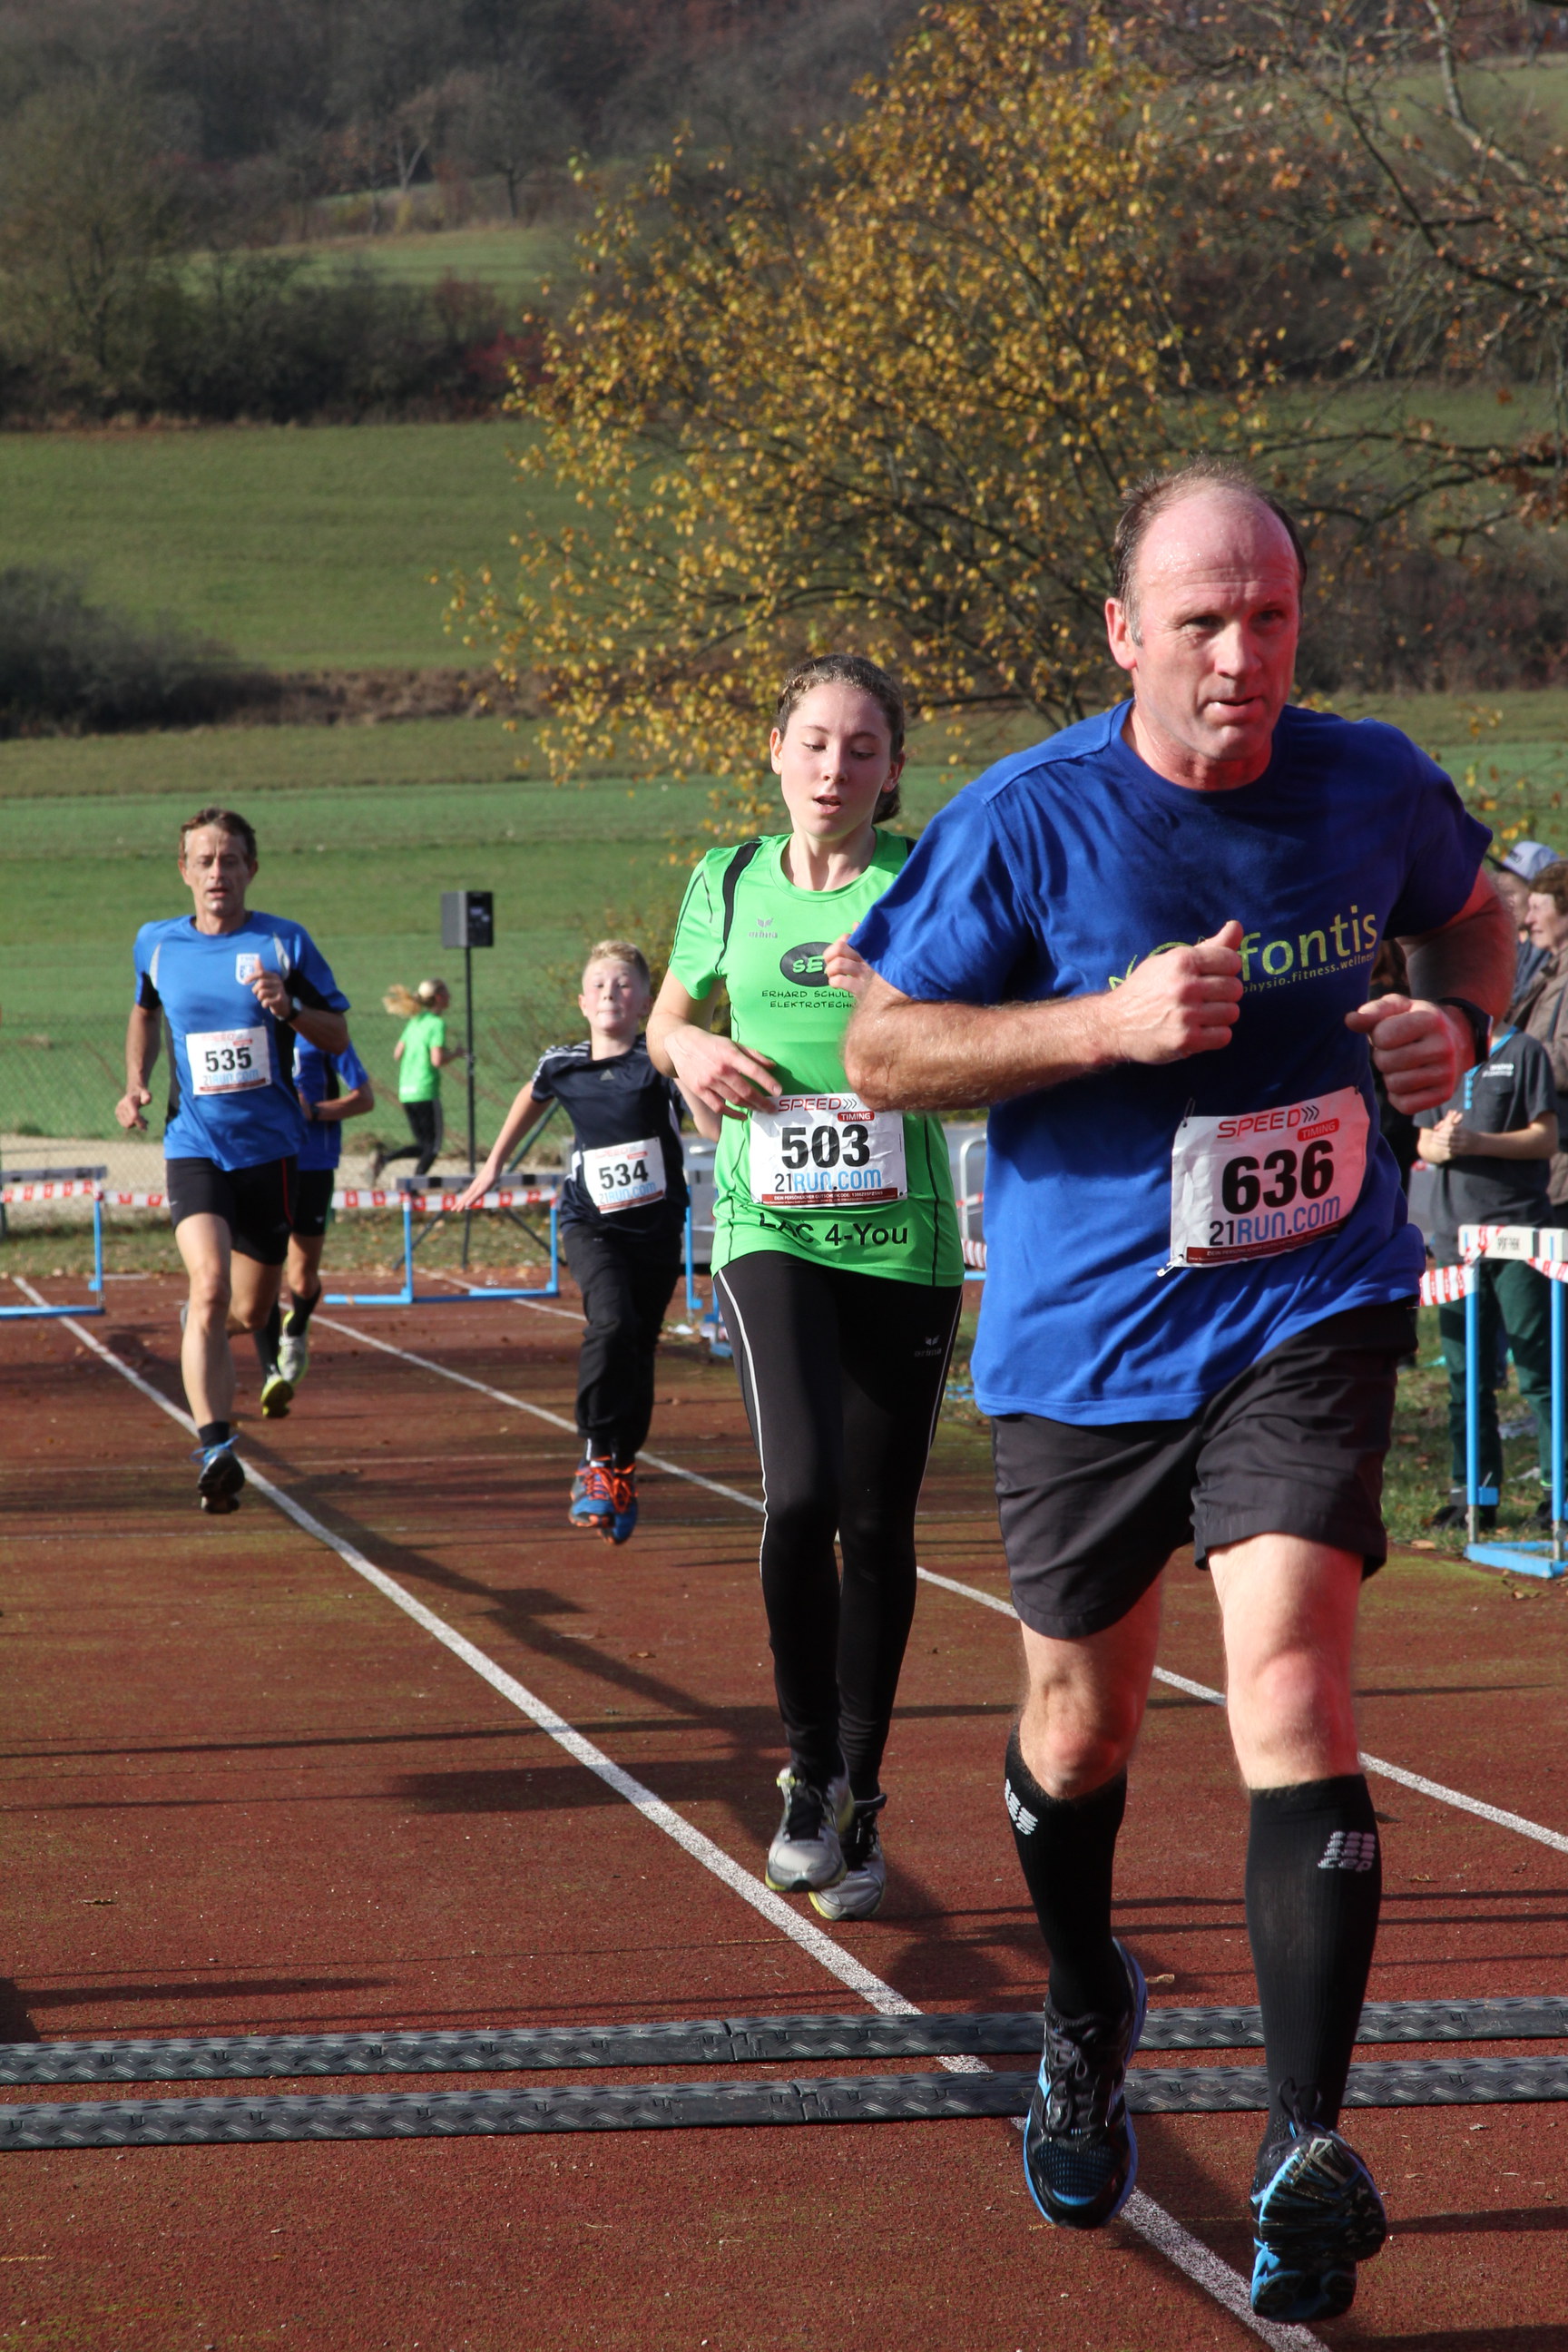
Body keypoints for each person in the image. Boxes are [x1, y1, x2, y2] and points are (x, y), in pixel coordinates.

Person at [840, 462, 1512, 2319]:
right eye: (1202, 621)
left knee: (1290, 1677)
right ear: (1124, 634)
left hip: (1312, 1300)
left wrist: (1453, 1026)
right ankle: (1083, 2011)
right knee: (1081, 1732)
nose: (1239, 655)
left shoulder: (1369, 782)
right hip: (1085, 1344)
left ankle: (1303, 2149)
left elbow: (1474, 920)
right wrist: (1103, 1025)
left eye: (1270, 618)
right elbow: (882, 1048)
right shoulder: (1025, 820)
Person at [647, 652, 965, 1924]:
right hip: (767, 1221)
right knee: (801, 1498)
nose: (836, 768)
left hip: (902, 1237)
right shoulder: (726, 880)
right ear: (776, 753)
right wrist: (690, 1046)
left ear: (894, 771)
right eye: (816, 743)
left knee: (878, 1529)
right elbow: (664, 1021)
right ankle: (809, 1768)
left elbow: (987, 1035)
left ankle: (863, 1794)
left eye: (863, 748)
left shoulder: (924, 883)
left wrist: (898, 1006)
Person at [116, 807, 350, 1513]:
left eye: (230, 860)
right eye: (204, 860)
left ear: (251, 868)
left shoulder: (285, 942)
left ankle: (206, 1326)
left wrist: (290, 1011)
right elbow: (144, 1011)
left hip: (272, 1153)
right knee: (211, 1286)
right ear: (184, 870)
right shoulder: (157, 943)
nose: (217, 872)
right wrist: (136, 1081)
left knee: (247, 1310)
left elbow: (337, 1036)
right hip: (195, 1144)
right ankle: (216, 1447)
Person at [456, 942, 690, 1545]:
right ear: (583, 1002)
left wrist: (699, 1082)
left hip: (657, 1228)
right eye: (600, 984)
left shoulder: (661, 1063)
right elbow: (528, 1100)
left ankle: (621, 1470)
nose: (611, 992)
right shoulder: (561, 1064)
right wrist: (494, 1165)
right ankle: (594, 1458)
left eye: (624, 983)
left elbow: (711, 1125)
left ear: (646, 1002)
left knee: (640, 1347)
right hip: (591, 1223)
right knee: (610, 1323)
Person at [1416, 1021, 1557, 1530]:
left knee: (1540, 1373)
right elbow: (1424, 1143)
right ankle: (1474, 1494)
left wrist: (1475, 1141)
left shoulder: (1525, 1051)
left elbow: (1546, 1138)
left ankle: (1557, 1496)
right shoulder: (1439, 1053)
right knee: (1466, 1376)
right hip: (1455, 1238)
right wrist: (1441, 1144)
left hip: (1519, 1235)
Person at [253, 1035, 375, 1417]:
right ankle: (271, 1373)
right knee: (263, 1273)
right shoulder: (252, 1029)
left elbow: (364, 1098)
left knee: (302, 1279)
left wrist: (314, 1111)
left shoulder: (323, 1033)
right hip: (264, 1159)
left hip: (313, 1163)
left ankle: (296, 1329)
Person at [1512, 859, 1568, 1210]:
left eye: (1537, 907)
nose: (1528, 919)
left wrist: (1509, 1057)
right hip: (1548, 1163)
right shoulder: (1552, 972)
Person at [373, 980, 463, 1180]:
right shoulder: (437, 1024)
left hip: (406, 1091)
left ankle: (385, 1159)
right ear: (439, 997)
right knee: (434, 1147)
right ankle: (415, 1186)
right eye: (447, 993)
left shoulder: (415, 1021)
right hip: (425, 1090)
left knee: (423, 1145)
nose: (450, 997)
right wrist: (456, 1054)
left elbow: (397, 1053)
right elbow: (437, 1060)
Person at [1490, 839, 1558, 1003]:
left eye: (1509, 893)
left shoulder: (1552, 954)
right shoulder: (1513, 944)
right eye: (1499, 892)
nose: (1502, 902)